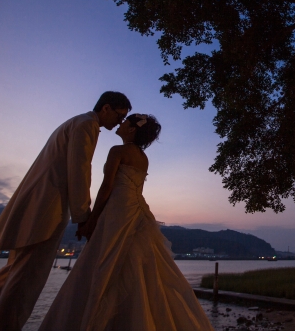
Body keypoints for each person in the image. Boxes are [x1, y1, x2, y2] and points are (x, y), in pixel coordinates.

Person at [0, 91, 132, 331]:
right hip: (46, 209)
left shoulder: (77, 122)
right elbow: (79, 171)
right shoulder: (86, 125)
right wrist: (84, 218)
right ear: (106, 108)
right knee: (25, 284)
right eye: (119, 115)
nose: (120, 122)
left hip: (34, 205)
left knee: (10, 275)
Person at [39, 113, 214, 331]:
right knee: (138, 264)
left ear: (132, 129)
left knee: (107, 259)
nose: (121, 124)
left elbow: (106, 189)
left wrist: (89, 220)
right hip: (137, 209)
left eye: (125, 122)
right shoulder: (143, 157)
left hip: (118, 210)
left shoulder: (118, 151)